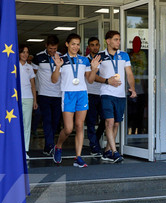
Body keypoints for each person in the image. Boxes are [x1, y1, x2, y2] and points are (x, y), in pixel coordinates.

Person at [51, 33, 100, 167]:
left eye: (78, 44)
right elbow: (54, 80)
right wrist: (57, 67)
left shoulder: (84, 60)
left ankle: (78, 157)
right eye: (73, 44)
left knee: (79, 126)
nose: (75, 47)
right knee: (68, 128)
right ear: (67, 44)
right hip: (68, 95)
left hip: (82, 94)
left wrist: (94, 69)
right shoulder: (60, 59)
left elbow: (90, 81)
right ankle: (58, 146)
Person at [96, 30, 136, 163]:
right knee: (110, 122)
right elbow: (93, 76)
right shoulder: (100, 56)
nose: (118, 42)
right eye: (116, 39)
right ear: (108, 41)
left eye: (119, 39)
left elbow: (129, 73)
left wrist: (133, 88)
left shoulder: (124, 55)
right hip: (106, 93)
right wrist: (107, 81)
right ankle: (115, 152)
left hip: (120, 95)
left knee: (116, 123)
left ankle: (107, 151)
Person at [32, 35, 62, 156]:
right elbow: (32, 76)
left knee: (56, 121)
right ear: (46, 46)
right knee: (47, 119)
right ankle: (50, 145)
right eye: (50, 49)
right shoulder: (38, 57)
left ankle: (48, 146)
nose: (53, 51)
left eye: (54, 49)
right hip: (44, 94)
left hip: (58, 94)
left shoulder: (61, 57)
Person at [85, 37, 105, 156]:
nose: (95, 47)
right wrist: (107, 80)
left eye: (97, 45)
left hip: (102, 92)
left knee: (105, 118)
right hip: (90, 93)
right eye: (92, 45)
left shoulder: (104, 60)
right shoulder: (85, 60)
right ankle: (93, 146)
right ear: (88, 47)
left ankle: (95, 140)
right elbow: (90, 78)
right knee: (91, 121)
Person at [19, 45, 37, 160]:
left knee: (27, 125)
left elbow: (33, 85)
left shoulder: (29, 67)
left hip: (28, 98)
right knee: (16, 124)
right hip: (15, 98)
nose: (25, 54)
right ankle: (16, 149)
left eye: (27, 52)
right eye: (23, 52)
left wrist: (35, 100)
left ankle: (25, 150)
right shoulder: (13, 65)